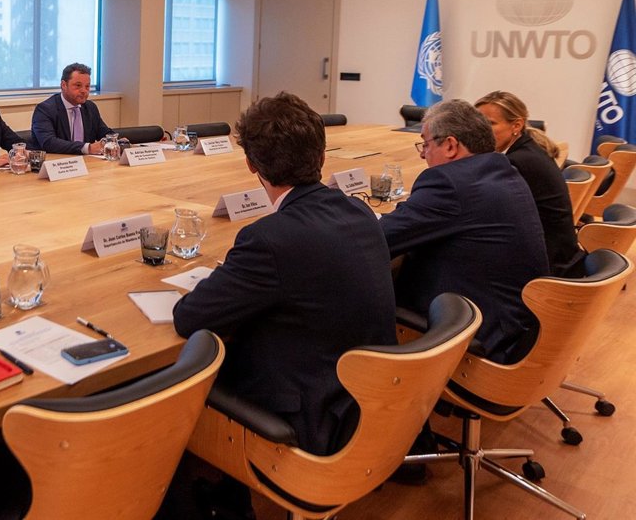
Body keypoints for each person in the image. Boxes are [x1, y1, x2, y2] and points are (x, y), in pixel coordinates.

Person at [173, 92, 396, 506]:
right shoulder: (360, 213)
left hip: (311, 421)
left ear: (251, 164)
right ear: (322, 155)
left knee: (175, 384)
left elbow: (189, 317)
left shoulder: (269, 239)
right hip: (370, 403)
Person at [380, 99, 548, 363]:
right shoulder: (502, 169)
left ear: (450, 145)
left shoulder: (449, 183)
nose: (422, 154)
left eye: (425, 144)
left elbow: (380, 238)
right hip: (516, 325)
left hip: (479, 335)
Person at [475, 91, 579, 274]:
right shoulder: (529, 148)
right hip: (560, 256)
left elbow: (486, 213)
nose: (480, 131)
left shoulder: (517, 162)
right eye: (477, 124)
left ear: (516, 125)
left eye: (490, 124)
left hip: (547, 266)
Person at [30, 62, 115, 155]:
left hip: (88, 162)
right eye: (78, 85)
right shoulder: (45, 109)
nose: (84, 91)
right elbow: (49, 143)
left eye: (87, 86)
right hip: (58, 162)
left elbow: (104, 133)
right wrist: (87, 148)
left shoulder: (90, 107)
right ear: (63, 85)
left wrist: (118, 141)